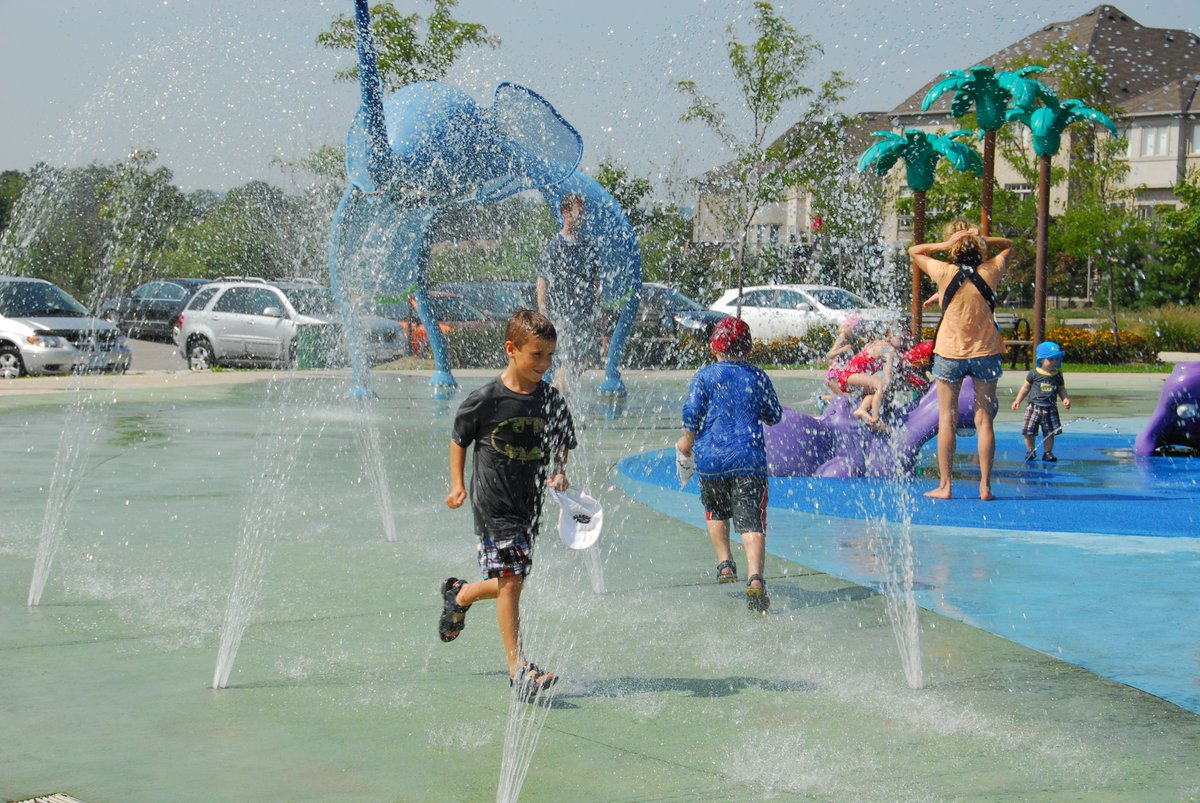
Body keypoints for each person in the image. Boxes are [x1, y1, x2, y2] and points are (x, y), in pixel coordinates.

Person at [440, 309, 577, 700]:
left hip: (527, 507)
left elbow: (562, 442)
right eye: (537, 355)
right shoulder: (486, 399)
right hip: (492, 506)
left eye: (550, 356)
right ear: (511, 350)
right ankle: (518, 669)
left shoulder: (550, 400)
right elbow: (459, 438)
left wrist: (559, 471)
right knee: (512, 580)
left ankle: (460, 595)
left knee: (509, 581)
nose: (545, 364)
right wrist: (455, 485)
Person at [675, 317, 783, 613]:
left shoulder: (704, 376)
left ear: (714, 348)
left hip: (711, 460)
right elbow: (774, 415)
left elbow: (692, 414)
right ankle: (756, 578)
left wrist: (686, 442)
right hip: (748, 460)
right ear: (748, 348)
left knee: (716, 511)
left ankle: (724, 564)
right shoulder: (757, 377)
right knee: (752, 521)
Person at [909, 220, 1014, 501]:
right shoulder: (991, 270)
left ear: (952, 250)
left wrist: (944, 245)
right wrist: (981, 239)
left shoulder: (944, 271)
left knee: (947, 418)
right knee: (984, 420)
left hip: (950, 353)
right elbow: (1009, 245)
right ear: (978, 248)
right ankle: (985, 487)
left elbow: (914, 250)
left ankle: (945, 486)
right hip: (986, 351)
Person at [537, 193, 602, 399]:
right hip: (563, 317)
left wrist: (599, 310)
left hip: (584, 317)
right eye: (578, 212)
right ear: (566, 213)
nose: (582, 217)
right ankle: (561, 400)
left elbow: (595, 283)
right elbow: (542, 284)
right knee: (568, 362)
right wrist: (543, 315)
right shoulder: (555, 246)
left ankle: (560, 392)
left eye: (583, 212)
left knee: (583, 361)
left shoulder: (588, 246)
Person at [1011, 341, 1072, 462]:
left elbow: (1061, 389)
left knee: (1050, 432)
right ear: (1041, 360)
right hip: (1034, 407)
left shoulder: (1057, 375)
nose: (1054, 362)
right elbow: (1025, 388)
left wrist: (1065, 398)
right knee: (1029, 430)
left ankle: (1047, 452)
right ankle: (1030, 450)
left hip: (1050, 408)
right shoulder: (1034, 374)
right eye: (1051, 360)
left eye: (1056, 359)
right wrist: (1018, 400)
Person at [822, 315, 862, 402]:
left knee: (843, 397)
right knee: (846, 397)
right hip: (834, 376)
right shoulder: (842, 336)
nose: (856, 333)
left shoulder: (849, 339)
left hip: (841, 374)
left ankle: (826, 401)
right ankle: (822, 399)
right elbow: (829, 355)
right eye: (855, 330)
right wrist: (842, 350)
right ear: (849, 328)